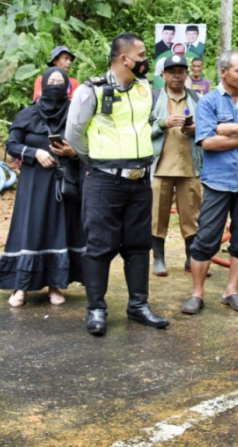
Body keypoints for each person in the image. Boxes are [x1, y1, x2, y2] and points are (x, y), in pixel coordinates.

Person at [66, 33, 169, 336]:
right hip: (104, 181)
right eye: (141, 54)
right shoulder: (91, 91)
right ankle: (96, 309)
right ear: (125, 59)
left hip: (139, 181)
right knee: (99, 246)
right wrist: (97, 160)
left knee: (139, 246)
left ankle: (138, 305)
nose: (146, 59)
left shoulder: (145, 89)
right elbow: (73, 134)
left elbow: (148, 123)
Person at [181, 50, 238, 315]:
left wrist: (232, 128)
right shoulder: (208, 102)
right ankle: (197, 293)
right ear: (223, 72)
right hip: (217, 182)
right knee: (206, 238)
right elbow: (208, 142)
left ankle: (231, 291)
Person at [0, 67, 84, 306]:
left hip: (63, 184)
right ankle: (20, 288)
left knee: (60, 230)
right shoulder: (28, 114)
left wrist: (72, 153)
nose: (55, 86)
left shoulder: (75, 115)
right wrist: (34, 153)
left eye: (60, 83)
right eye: (51, 82)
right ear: (43, 86)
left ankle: (55, 286)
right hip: (33, 183)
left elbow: (87, 146)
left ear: (67, 88)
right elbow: (12, 144)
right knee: (30, 228)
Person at [149, 54, 203, 276]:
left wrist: (195, 129)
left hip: (190, 166)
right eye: (171, 72)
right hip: (160, 167)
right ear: (163, 75)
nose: (176, 76)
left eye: (181, 71)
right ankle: (158, 258)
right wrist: (163, 123)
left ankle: (192, 257)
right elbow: (142, 131)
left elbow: (210, 129)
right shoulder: (153, 99)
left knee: (192, 214)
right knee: (156, 214)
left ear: (187, 74)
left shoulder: (198, 99)